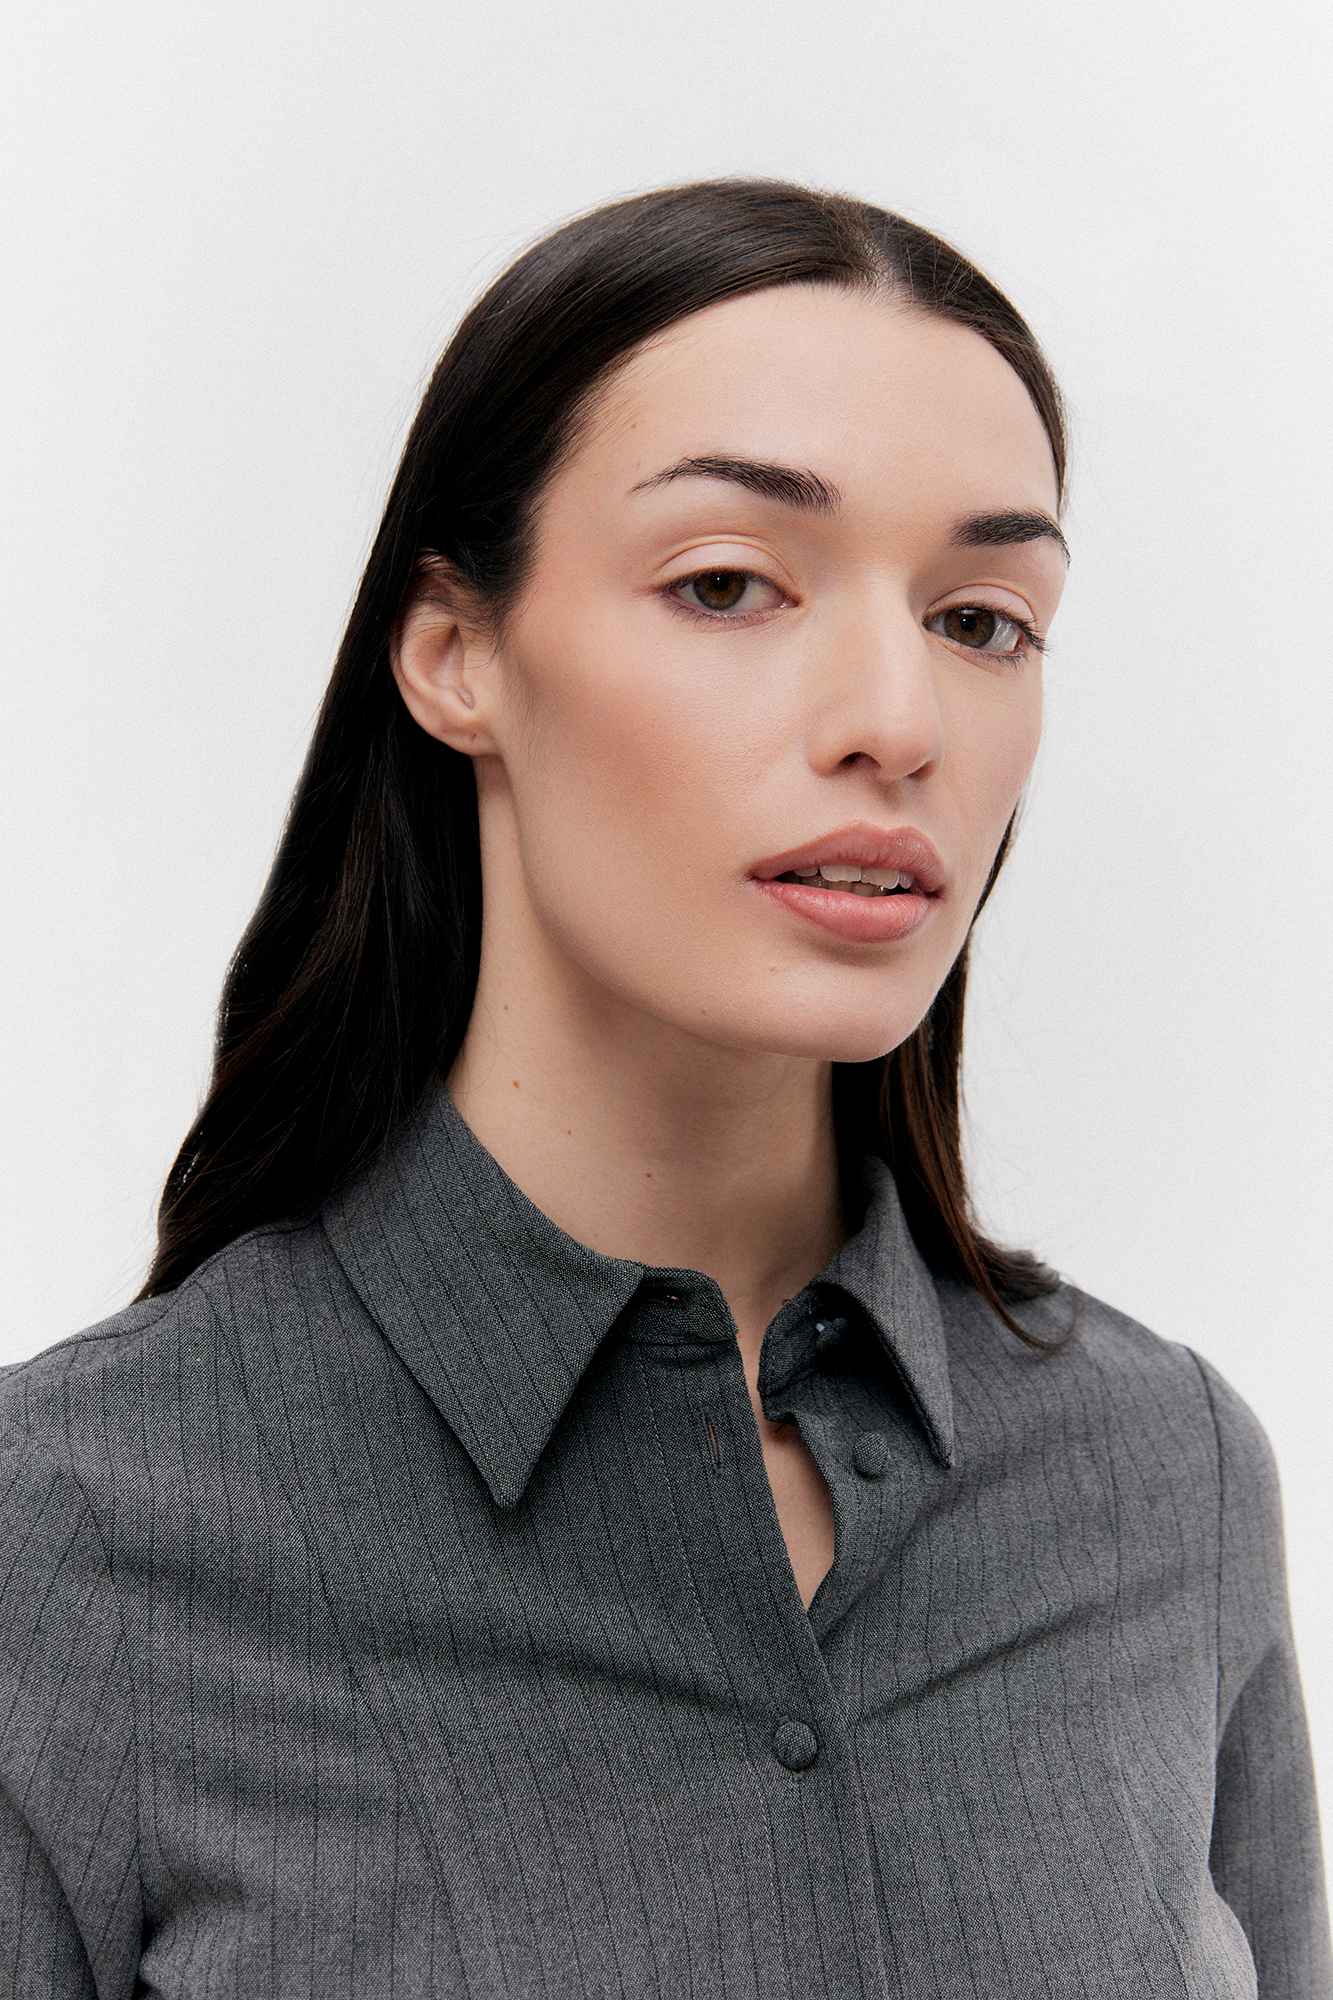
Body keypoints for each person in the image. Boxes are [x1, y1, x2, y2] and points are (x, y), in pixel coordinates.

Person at [0, 179, 1327, 2000]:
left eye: (983, 617)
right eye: (727, 584)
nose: (899, 719)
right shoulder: (73, 1534)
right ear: (453, 654)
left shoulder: (1158, 1476)